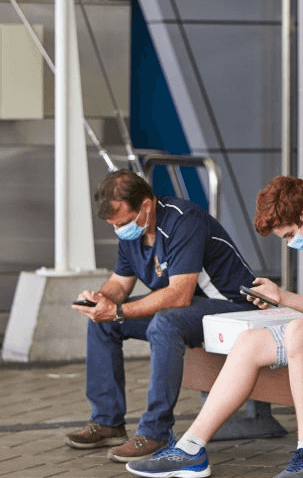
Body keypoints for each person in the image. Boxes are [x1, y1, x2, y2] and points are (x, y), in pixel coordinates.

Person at [124, 175, 303, 478]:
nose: (290, 243)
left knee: (301, 330)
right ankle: (190, 450)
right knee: (249, 342)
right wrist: (280, 297)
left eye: (288, 235)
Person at [64, 169, 258, 463]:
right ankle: (108, 422)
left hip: (233, 307)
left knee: (164, 323)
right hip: (193, 309)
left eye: (124, 223)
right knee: (104, 323)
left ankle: (155, 431)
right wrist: (102, 301)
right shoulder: (134, 231)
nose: (120, 230)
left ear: (146, 205)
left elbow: (179, 294)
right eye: (114, 226)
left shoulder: (183, 220)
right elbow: (120, 283)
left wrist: (117, 310)